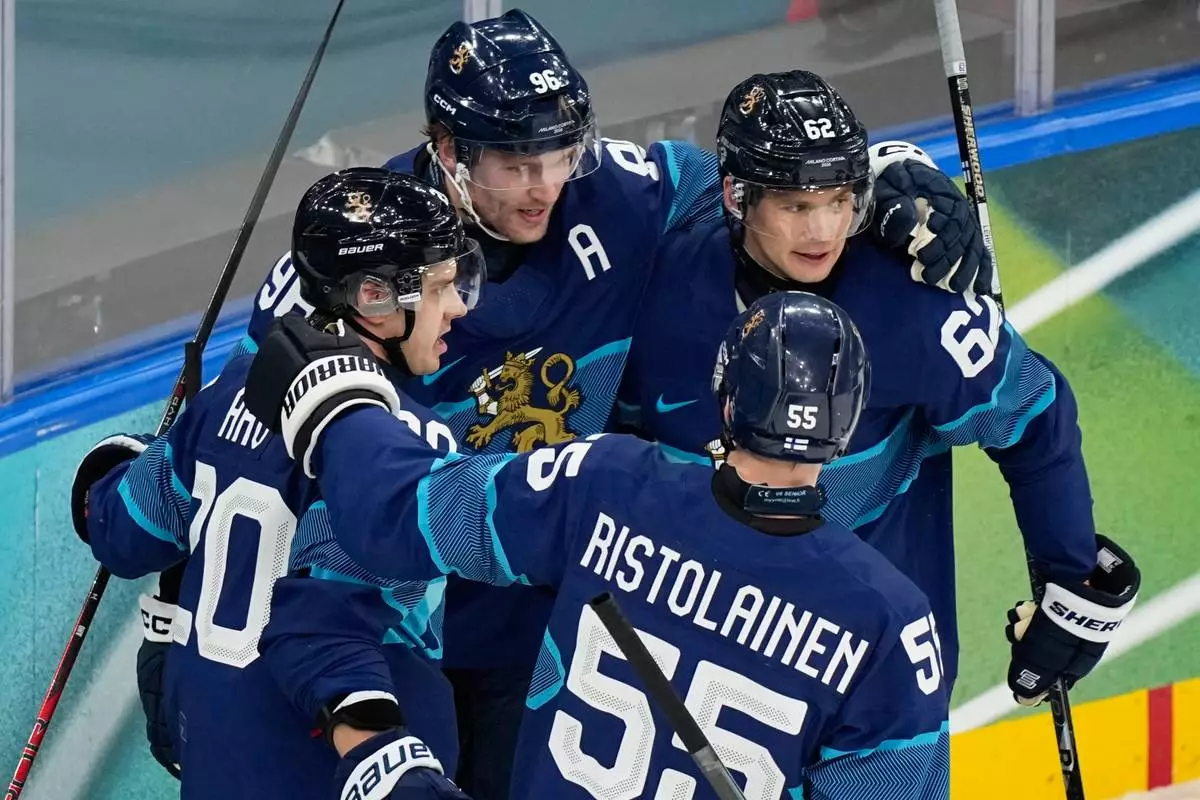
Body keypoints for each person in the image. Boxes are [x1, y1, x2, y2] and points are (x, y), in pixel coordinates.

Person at [147, 11, 995, 794]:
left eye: (561, 154)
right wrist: (169, 605)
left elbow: (759, 190)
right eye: (516, 163)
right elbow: (237, 458)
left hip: (540, 624)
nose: (545, 185)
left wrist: (882, 174)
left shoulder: (625, 195)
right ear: (447, 148)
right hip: (379, 623)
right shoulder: (342, 267)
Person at [244, 290, 952, 800]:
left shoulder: (611, 481)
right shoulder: (892, 623)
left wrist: (338, 407)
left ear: (726, 396)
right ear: (849, 420)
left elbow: (406, 515)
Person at [621, 69, 1142, 702]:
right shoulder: (657, 287)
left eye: (839, 200)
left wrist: (1069, 582)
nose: (822, 233)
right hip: (701, 662)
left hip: (873, 673)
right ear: (736, 197)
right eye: (795, 205)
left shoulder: (915, 305)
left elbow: (1035, 417)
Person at [69, 168, 483, 798]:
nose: (457, 306)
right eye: (440, 288)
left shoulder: (225, 394)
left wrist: (103, 481)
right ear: (373, 297)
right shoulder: (398, 453)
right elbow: (331, 631)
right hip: (327, 767)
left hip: (214, 751)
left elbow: (126, 529)